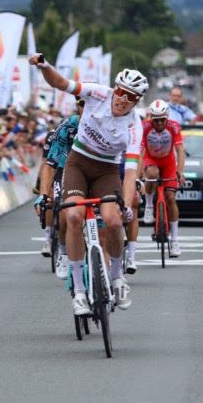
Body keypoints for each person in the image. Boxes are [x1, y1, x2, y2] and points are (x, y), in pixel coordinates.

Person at [29, 52, 146, 316]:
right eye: (121, 93)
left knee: (114, 221)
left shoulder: (134, 126)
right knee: (73, 216)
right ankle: (80, 293)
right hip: (78, 163)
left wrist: (126, 205)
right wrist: (44, 65)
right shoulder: (98, 94)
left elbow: (129, 172)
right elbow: (61, 83)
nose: (123, 100)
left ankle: (117, 278)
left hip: (106, 170)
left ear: (137, 101)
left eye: (131, 97)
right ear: (115, 89)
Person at [35, 98, 84, 279]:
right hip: (65, 170)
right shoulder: (67, 126)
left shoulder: (105, 122)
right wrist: (43, 194)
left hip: (92, 171)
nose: (87, 108)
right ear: (77, 106)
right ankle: (63, 253)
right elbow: (49, 164)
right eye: (82, 104)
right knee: (63, 213)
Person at [140, 99, 185, 259]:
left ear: (167, 117)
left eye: (162, 119)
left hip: (168, 163)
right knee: (151, 174)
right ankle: (149, 207)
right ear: (151, 118)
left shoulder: (174, 126)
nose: (158, 123)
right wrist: (139, 174)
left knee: (171, 198)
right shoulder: (144, 127)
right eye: (155, 119)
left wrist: (180, 171)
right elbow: (140, 151)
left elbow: (180, 150)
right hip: (151, 160)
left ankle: (175, 241)